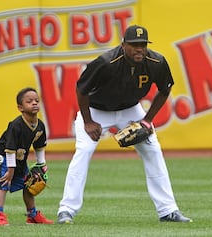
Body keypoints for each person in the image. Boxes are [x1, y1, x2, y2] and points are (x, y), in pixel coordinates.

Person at [57, 25, 192, 224]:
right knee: (84, 151)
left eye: (142, 44)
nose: (139, 49)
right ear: (123, 45)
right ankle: (66, 210)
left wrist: (147, 120)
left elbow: (165, 89)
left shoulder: (156, 62)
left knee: (153, 150)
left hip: (130, 109)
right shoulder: (106, 62)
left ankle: (168, 211)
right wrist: (87, 121)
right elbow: (81, 89)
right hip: (97, 111)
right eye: (134, 45)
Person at [0, 87, 54, 226]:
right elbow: (10, 149)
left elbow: (39, 147)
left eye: (37, 100)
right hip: (3, 154)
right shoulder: (16, 125)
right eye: (29, 101)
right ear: (20, 107)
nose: (34, 103)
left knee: (29, 183)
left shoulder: (40, 126)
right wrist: (10, 171)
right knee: (3, 183)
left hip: (19, 157)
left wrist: (41, 164)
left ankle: (32, 215)